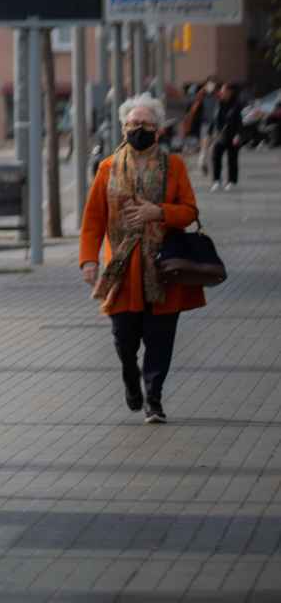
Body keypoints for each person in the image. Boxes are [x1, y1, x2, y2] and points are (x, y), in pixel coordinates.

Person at [79, 93, 203, 425]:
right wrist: (89, 260)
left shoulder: (174, 165)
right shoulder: (107, 167)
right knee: (124, 340)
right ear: (123, 128)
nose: (138, 129)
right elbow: (93, 219)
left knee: (160, 340)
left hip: (163, 269)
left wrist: (158, 211)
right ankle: (131, 378)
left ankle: (154, 399)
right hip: (122, 272)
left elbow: (190, 212)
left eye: (145, 124)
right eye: (132, 124)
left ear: (158, 130)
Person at [210, 83, 245, 192]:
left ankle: (231, 181)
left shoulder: (236, 105)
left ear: (230, 92)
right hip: (221, 135)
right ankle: (216, 180)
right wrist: (212, 133)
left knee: (232, 159)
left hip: (233, 136)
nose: (222, 93)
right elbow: (215, 120)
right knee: (216, 156)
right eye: (222, 91)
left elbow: (240, 122)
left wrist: (238, 135)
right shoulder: (219, 103)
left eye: (224, 91)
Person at [195, 77, 221, 175]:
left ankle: (208, 165)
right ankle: (202, 164)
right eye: (209, 84)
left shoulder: (217, 96)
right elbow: (196, 104)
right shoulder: (202, 96)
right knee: (204, 147)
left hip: (215, 125)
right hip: (205, 124)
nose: (211, 86)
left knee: (213, 147)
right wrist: (203, 91)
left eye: (213, 84)